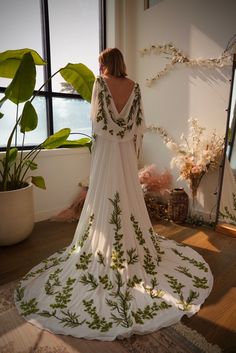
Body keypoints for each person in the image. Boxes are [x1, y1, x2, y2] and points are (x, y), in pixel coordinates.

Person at [15, 48, 213, 341]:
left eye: (100, 63)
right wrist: (129, 147)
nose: (99, 67)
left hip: (107, 152)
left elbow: (96, 123)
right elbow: (138, 127)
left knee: (103, 197)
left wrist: (102, 144)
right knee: (127, 197)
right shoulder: (134, 87)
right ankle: (129, 245)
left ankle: (103, 244)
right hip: (123, 153)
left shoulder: (100, 84)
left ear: (106, 64)